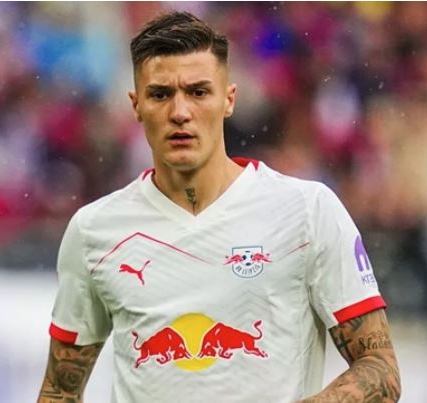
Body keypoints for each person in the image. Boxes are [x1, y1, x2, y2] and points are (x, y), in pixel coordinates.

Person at [38, 11, 400, 403]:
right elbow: (60, 390)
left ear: (228, 99)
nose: (180, 112)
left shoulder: (307, 211)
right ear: (136, 104)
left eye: (198, 92)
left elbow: (380, 369)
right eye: (160, 94)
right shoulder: (94, 229)